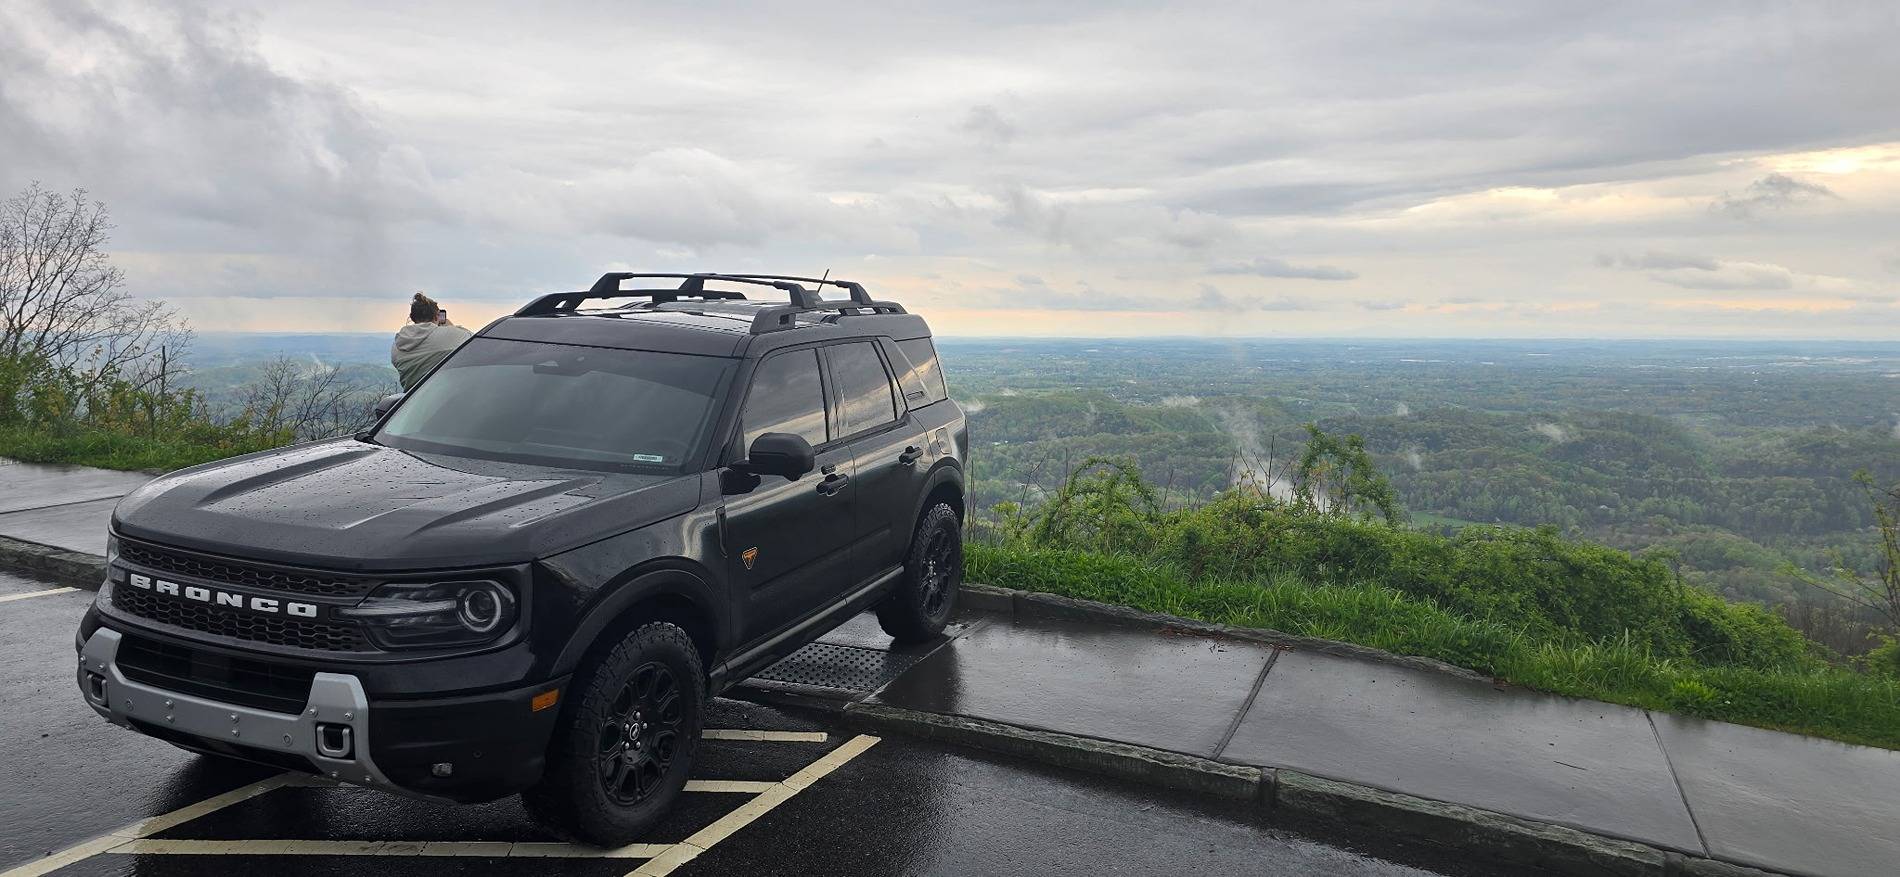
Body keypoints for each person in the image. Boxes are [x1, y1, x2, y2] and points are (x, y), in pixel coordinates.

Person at [391, 292, 473, 391]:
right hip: (438, 397)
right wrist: (450, 326)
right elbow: (474, 339)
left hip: (411, 400)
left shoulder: (397, 345)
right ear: (436, 316)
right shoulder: (450, 335)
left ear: (412, 317)